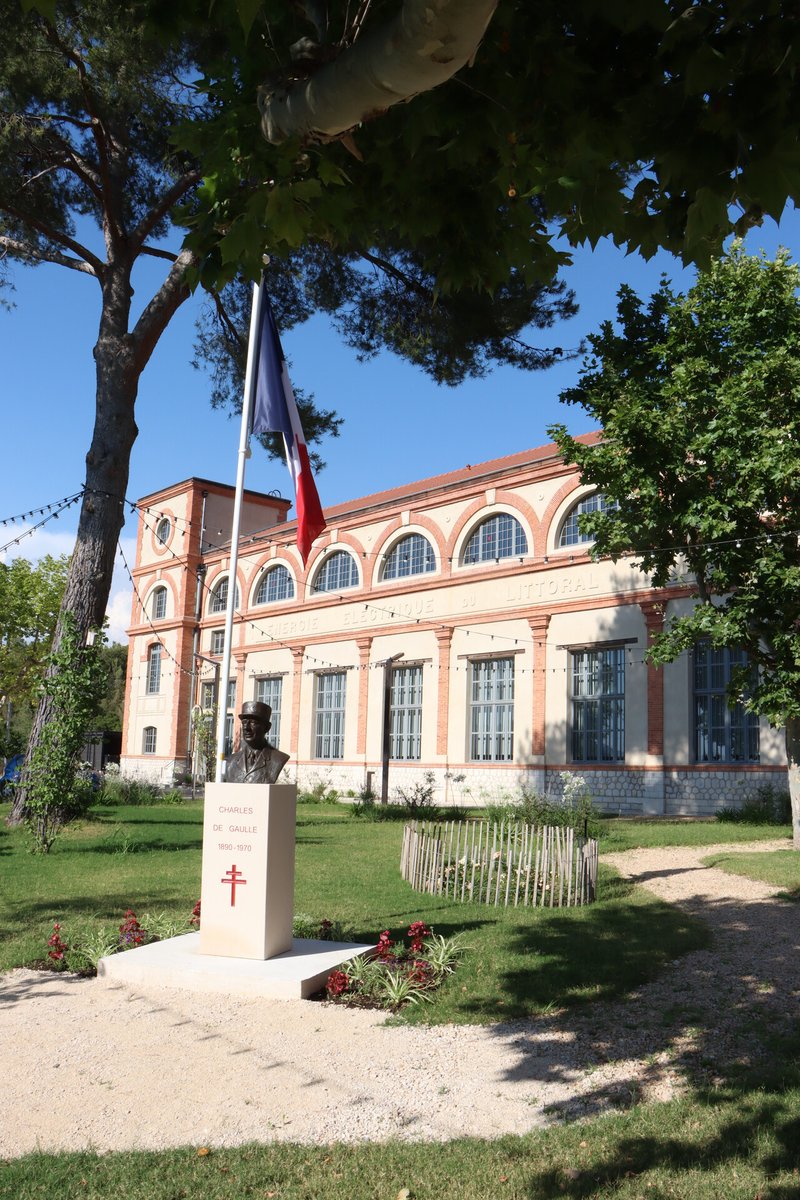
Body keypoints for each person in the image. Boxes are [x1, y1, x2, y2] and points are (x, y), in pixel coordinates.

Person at [224, 700, 289, 784]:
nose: (246, 728)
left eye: (253, 723)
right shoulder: (231, 761)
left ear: (267, 727)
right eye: (244, 723)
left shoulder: (278, 759)